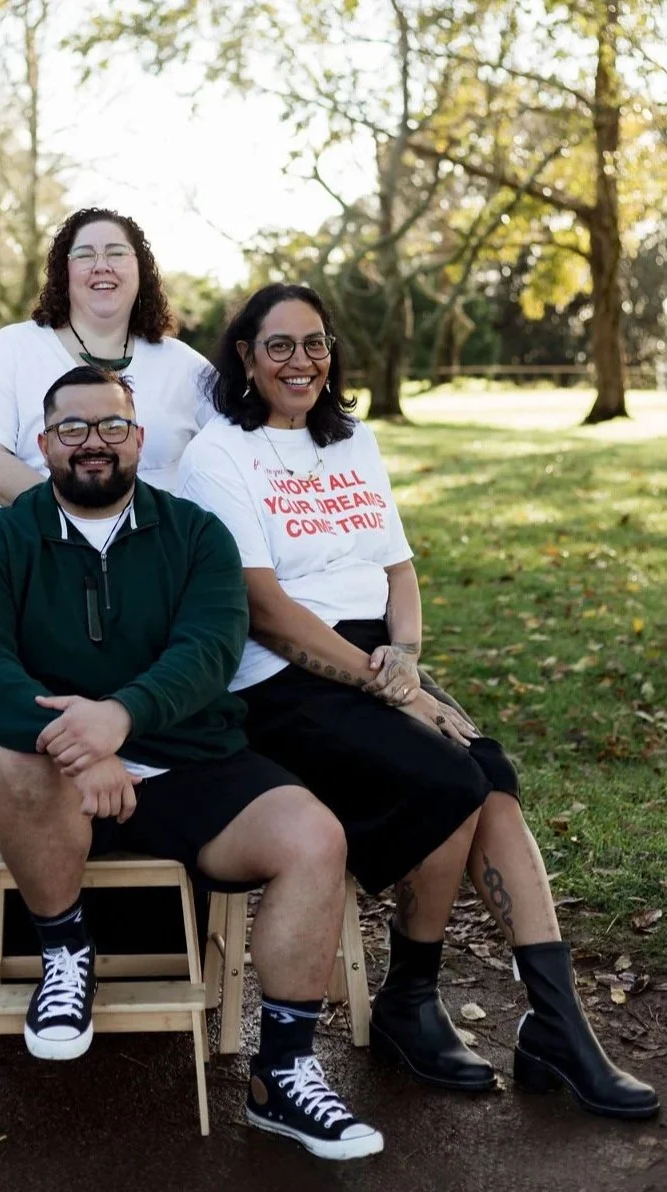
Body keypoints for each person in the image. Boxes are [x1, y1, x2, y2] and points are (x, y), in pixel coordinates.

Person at [177, 283, 659, 1121]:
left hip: (375, 657)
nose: (302, 360)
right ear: (246, 359)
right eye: (280, 345)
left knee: (489, 775)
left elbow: (398, 568)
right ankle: (413, 996)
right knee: (447, 778)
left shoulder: (353, 440)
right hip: (281, 678)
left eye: (316, 343)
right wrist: (383, 682)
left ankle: (556, 1025)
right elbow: (266, 608)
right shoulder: (219, 456)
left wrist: (406, 661)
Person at [0, 364, 385, 1161]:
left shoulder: (194, 534)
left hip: (189, 759)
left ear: (138, 438)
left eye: (111, 426)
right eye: (72, 428)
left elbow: (208, 651)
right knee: (12, 759)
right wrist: (79, 746)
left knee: (313, 837)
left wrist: (121, 717)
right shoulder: (3, 541)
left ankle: (282, 1073)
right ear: (43, 446)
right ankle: (67, 955)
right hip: (55, 781)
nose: (93, 443)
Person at [0, 208, 213, 1046]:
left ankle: (148, 951)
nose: (102, 267)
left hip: (146, 576)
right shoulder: (17, 346)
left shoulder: (183, 368)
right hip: (30, 569)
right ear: (60, 272)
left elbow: (227, 463)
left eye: (118, 254)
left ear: (142, 271)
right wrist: (59, 521)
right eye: (85, 255)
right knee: (3, 764)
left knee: (156, 743)